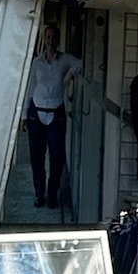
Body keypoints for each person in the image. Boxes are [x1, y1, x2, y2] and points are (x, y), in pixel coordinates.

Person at [24, 21, 82, 210]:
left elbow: (80, 64)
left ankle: (52, 193)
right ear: (44, 39)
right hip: (36, 111)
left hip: (56, 110)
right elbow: (30, 87)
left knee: (57, 156)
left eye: (54, 38)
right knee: (37, 156)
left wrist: (70, 74)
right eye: (48, 37)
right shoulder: (37, 62)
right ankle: (39, 193)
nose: (51, 41)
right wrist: (25, 114)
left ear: (58, 40)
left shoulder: (64, 60)